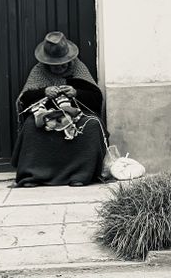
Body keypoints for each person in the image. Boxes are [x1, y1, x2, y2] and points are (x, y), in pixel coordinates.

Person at [12, 31, 108, 187]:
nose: (58, 68)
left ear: (69, 60)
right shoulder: (38, 71)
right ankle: (34, 175)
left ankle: (80, 175)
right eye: (54, 65)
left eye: (62, 64)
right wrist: (44, 92)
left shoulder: (79, 68)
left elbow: (96, 98)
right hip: (47, 114)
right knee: (30, 126)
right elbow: (24, 100)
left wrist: (76, 93)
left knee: (92, 125)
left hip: (76, 113)